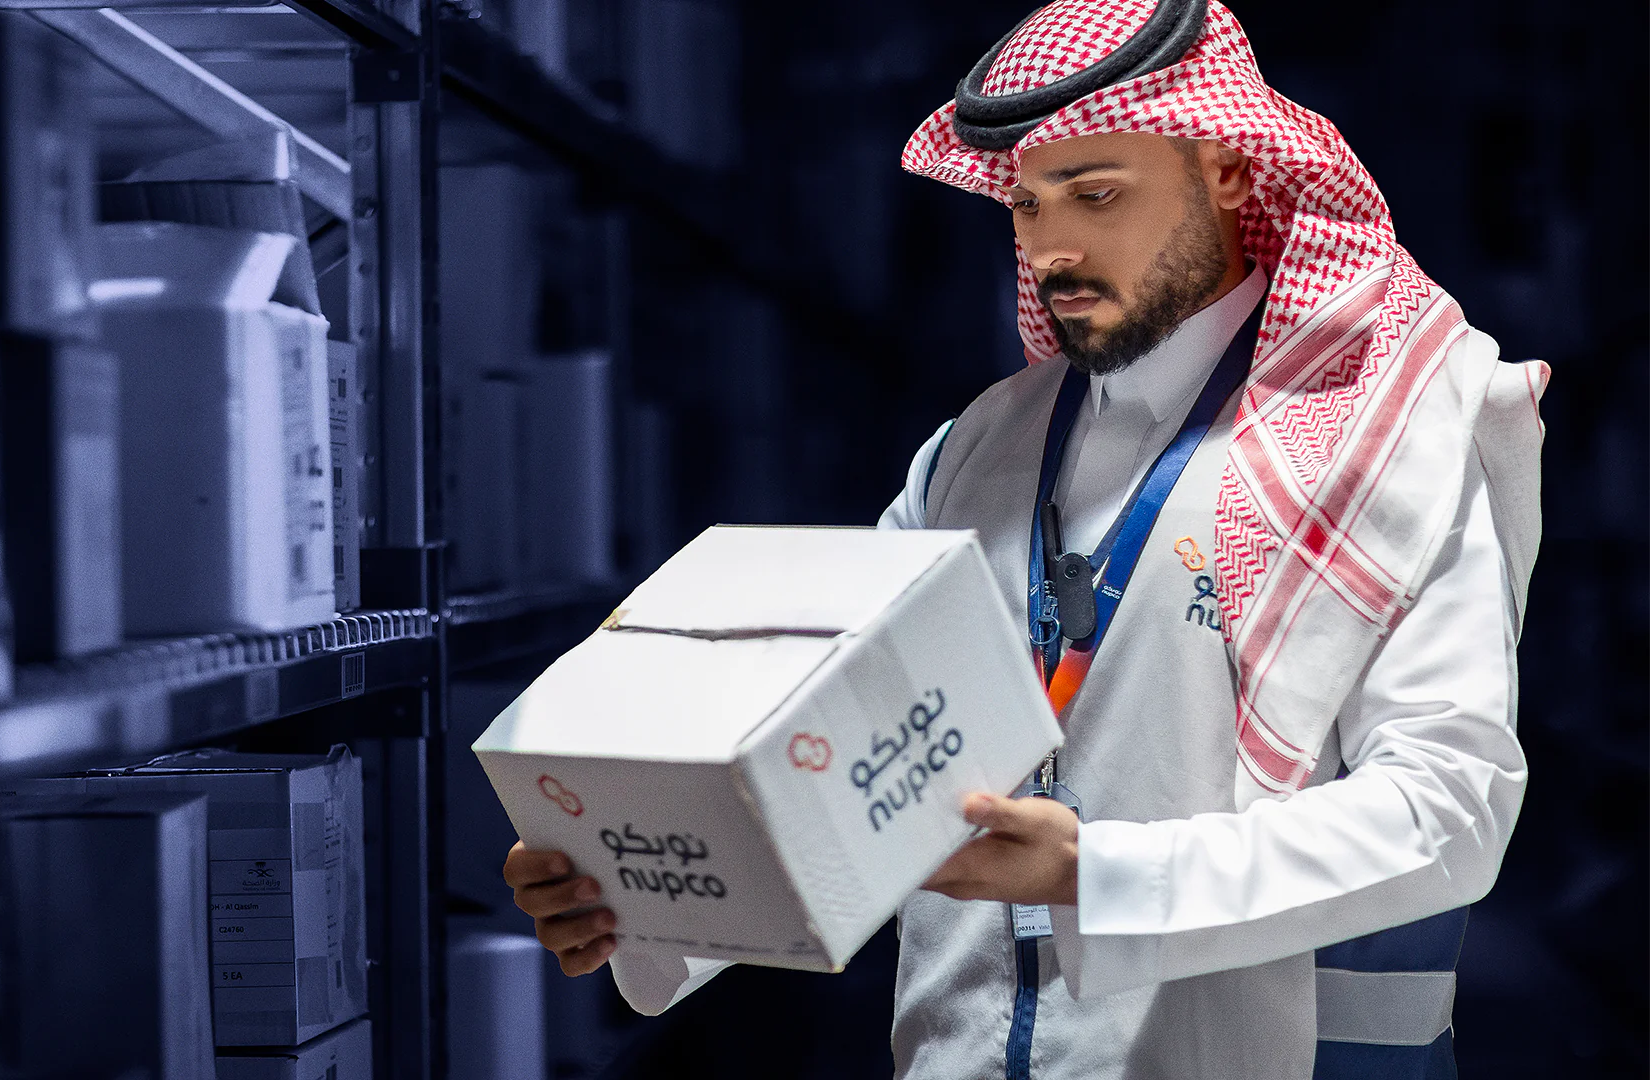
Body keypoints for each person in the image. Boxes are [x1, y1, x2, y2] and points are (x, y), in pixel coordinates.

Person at [503, 1, 1548, 1076]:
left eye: (1098, 195)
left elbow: (1448, 812)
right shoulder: (977, 451)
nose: (1053, 247)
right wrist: (641, 895)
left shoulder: (1388, 440)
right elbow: (838, 751)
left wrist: (1096, 875)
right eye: (1025, 205)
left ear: (1230, 170)